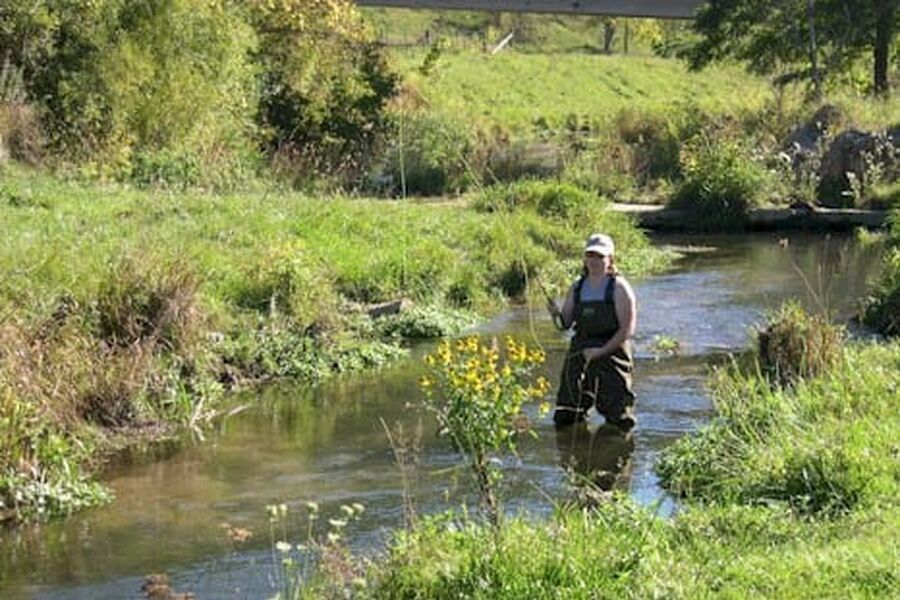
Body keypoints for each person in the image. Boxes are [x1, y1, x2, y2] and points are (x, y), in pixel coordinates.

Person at [547, 233, 637, 429]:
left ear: (610, 259)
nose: (594, 261)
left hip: (613, 351)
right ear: (585, 258)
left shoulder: (620, 288)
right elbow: (566, 324)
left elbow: (626, 330)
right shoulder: (577, 287)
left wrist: (600, 352)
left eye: (600, 256)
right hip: (580, 350)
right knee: (566, 413)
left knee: (619, 419)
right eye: (590, 255)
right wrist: (556, 315)